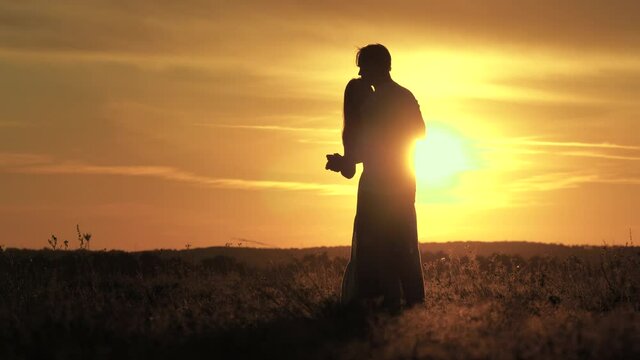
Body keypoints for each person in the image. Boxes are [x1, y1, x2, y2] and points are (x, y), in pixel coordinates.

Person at [326, 44, 426, 310]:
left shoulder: (375, 102)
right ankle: (408, 304)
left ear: (379, 66)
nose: (360, 72)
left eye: (363, 66)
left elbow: (370, 148)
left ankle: (378, 305)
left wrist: (347, 161)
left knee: (375, 245)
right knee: (401, 242)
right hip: (403, 180)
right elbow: (420, 132)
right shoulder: (405, 96)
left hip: (379, 185)